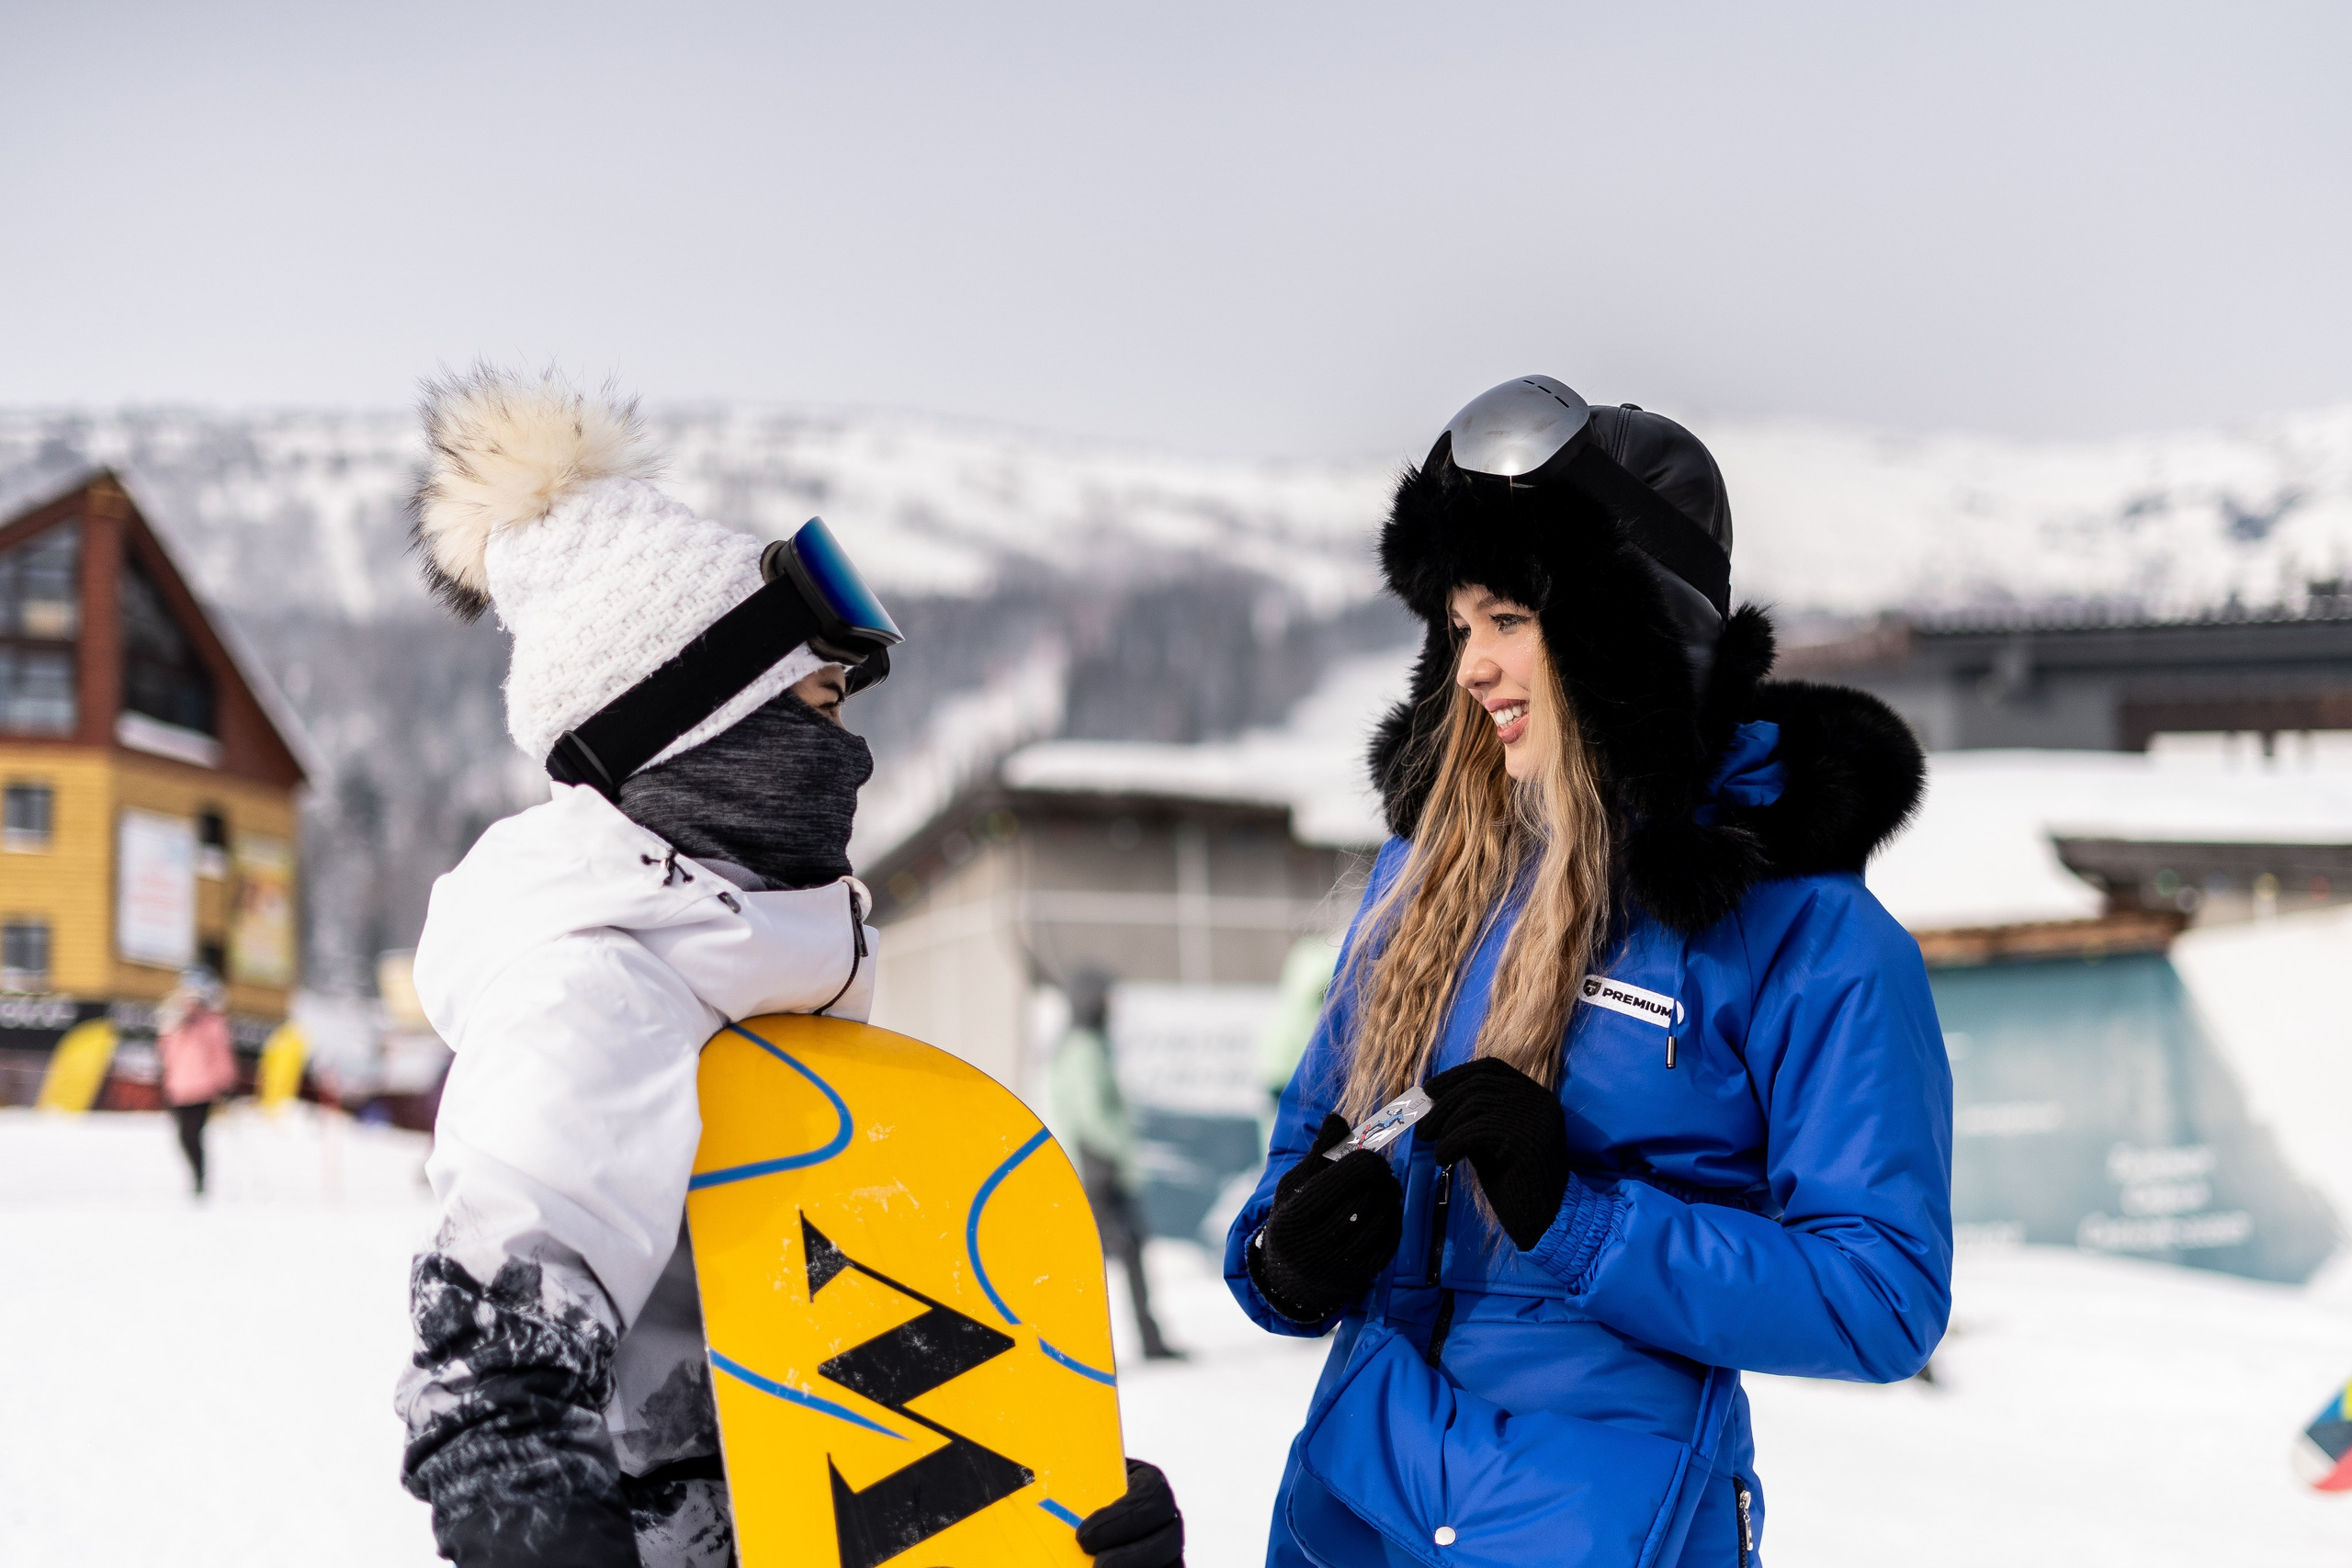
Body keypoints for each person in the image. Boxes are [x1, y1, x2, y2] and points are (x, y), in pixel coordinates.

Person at [392, 369, 1182, 1568]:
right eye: (817, 704)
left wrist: (1038, 1521)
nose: (848, 753)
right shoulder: (592, 990)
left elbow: (845, 1383)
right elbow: (496, 1392)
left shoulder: (731, 976)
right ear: (702, 729)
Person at [1225, 377, 1951, 1567]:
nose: (1471, 666)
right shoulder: (1425, 878)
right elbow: (1303, 1154)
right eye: (1458, 626)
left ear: (1630, 638)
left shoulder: (1806, 929)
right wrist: (1284, 1260)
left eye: (1508, 618)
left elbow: (1882, 1294)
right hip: (1348, 1508)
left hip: (1603, 1526)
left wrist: (1581, 1221)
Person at [1048, 968, 1182, 1360]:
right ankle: (1082, 1345)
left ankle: (1144, 1340)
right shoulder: (1084, 1048)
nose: (1112, 1005)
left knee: (1122, 1251)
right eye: (1106, 997)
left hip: (1096, 1166)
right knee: (1107, 1254)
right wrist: (1125, 1152)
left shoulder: (1078, 1045)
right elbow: (1092, 1115)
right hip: (1099, 1168)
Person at [156, 967, 236, 1196]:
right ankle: (196, 1176)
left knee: (192, 1135)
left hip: (203, 1089)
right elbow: (166, 1054)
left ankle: (200, 1179)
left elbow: (221, 1056)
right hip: (178, 1088)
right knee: (183, 1138)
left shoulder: (212, 1024)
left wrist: (226, 1083)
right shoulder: (174, 1023)